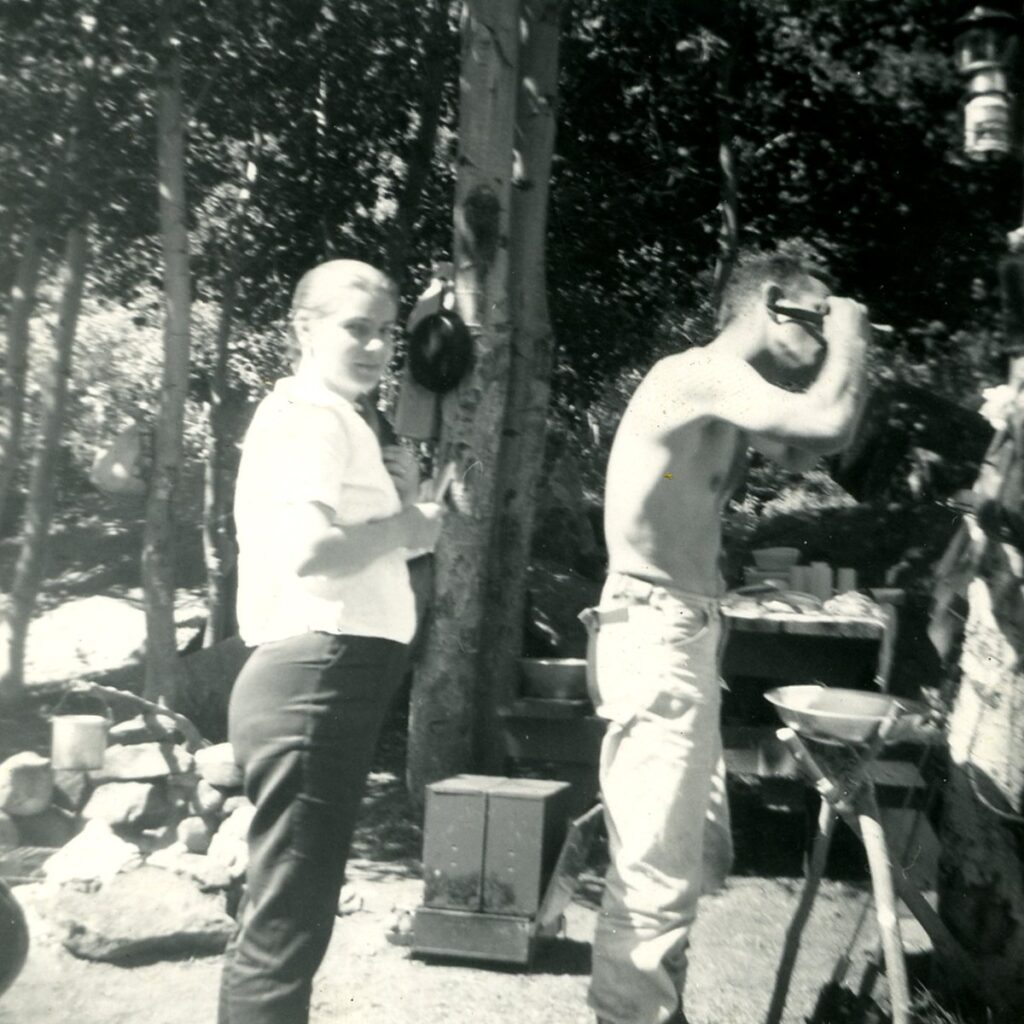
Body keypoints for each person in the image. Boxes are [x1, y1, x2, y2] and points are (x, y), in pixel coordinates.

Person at [582, 253, 871, 1024]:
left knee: (685, 860)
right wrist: (854, 335)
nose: (825, 340)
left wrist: (848, 353)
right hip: (655, 628)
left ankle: (659, 1011)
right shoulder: (695, 373)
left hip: (683, 632)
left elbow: (813, 446)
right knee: (653, 873)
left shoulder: (732, 393)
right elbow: (825, 421)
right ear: (774, 303)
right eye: (817, 321)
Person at [218, 259, 443, 1024]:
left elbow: (375, 553)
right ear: (303, 328)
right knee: (285, 929)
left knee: (292, 919)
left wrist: (402, 509)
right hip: (314, 678)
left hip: (323, 676)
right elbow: (314, 554)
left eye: (387, 332)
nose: (377, 347)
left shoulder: (332, 417)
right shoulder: (311, 414)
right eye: (357, 328)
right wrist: (407, 524)